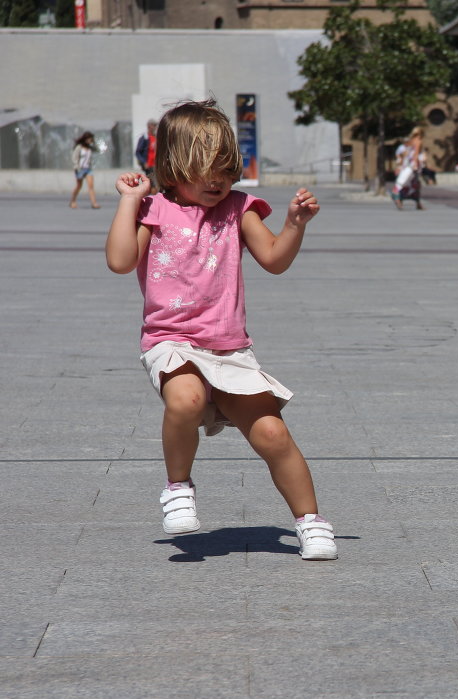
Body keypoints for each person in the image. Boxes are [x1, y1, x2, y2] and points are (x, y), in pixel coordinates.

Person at [104, 99, 338, 561]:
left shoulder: (239, 208)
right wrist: (130, 202)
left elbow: (273, 260)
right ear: (172, 167)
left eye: (226, 170)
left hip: (228, 349)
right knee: (186, 399)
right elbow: (119, 260)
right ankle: (178, 487)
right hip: (171, 340)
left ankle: (311, 522)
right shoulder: (152, 210)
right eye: (203, 170)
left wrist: (294, 225)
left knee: (272, 434)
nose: (217, 181)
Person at [392, 127, 424, 210]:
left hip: (407, 163)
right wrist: (415, 164)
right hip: (412, 165)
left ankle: (414, 202)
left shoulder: (410, 141)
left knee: (408, 182)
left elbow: (404, 152)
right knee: (413, 182)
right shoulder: (418, 141)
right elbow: (415, 154)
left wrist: (402, 162)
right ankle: (397, 194)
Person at [69, 131, 101, 209]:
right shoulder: (79, 147)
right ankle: (72, 201)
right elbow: (74, 158)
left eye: (91, 139)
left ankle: (94, 203)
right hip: (80, 169)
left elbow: (98, 150)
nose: (90, 140)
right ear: (85, 139)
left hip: (88, 169)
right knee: (79, 186)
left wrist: (94, 143)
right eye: (89, 139)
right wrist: (76, 168)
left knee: (91, 186)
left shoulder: (90, 147)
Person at [135, 119, 157, 191]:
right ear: (149, 126)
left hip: (156, 164)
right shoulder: (144, 138)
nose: (155, 127)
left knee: (156, 184)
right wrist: (144, 162)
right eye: (154, 125)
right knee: (152, 184)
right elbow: (138, 152)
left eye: (155, 125)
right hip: (149, 165)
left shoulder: (156, 137)